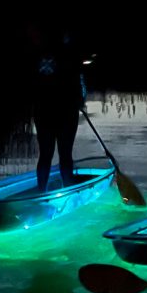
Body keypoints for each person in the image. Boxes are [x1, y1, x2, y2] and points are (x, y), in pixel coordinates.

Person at [28, 18, 87, 193]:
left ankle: (42, 191)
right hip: (64, 112)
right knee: (64, 154)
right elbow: (79, 80)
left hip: (44, 112)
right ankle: (67, 189)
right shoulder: (69, 54)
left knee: (46, 155)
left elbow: (31, 84)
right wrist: (80, 101)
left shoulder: (37, 53)